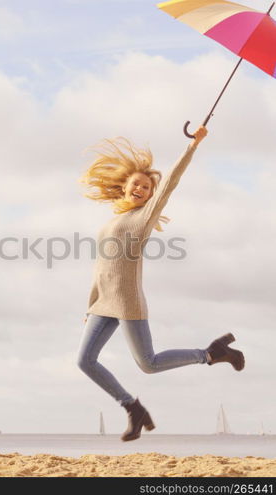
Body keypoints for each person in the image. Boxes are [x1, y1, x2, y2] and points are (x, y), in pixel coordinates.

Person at [77, 126, 244, 442]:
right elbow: (101, 269)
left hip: (127, 302)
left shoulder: (143, 218)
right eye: (135, 184)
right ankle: (133, 407)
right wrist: (91, 305)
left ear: (151, 195)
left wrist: (193, 146)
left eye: (146, 187)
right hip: (102, 304)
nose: (140, 189)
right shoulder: (112, 222)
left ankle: (210, 353)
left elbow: (170, 182)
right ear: (125, 188)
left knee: (149, 364)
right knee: (84, 361)